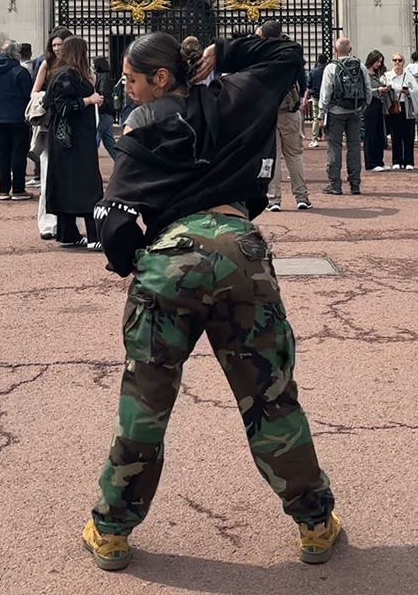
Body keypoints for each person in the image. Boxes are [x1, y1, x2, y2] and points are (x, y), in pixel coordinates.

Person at [83, 31, 338, 573]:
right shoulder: (236, 95)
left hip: (170, 256)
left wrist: (137, 262)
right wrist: (223, 51)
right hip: (239, 247)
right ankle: (314, 524)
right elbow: (287, 55)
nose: (125, 90)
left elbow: (114, 223)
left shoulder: (142, 128)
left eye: (131, 79)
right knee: (270, 397)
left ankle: (111, 531)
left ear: (161, 77)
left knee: (146, 402)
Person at [43, 36, 103, 247]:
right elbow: (64, 107)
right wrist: (89, 100)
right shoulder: (66, 75)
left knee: (69, 183)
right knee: (87, 183)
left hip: (72, 138)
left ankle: (68, 233)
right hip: (74, 139)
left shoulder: (68, 74)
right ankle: (94, 235)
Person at [259, 21, 311, 212]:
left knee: (273, 157)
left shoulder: (261, 54)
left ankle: (274, 200)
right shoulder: (292, 54)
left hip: (268, 112)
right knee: (294, 156)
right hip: (290, 111)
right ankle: (302, 197)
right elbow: (302, 83)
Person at [31, 27, 72, 236]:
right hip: (50, 126)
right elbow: (34, 93)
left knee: (70, 178)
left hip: (71, 126)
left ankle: (67, 223)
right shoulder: (47, 65)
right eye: (54, 45)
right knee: (48, 177)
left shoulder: (76, 65)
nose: (57, 48)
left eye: (60, 45)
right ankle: (47, 224)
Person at [319, 37, 371, 194]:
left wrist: (322, 113)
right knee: (354, 147)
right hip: (354, 111)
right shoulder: (360, 66)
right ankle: (355, 184)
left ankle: (335, 184)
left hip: (336, 111)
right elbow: (367, 90)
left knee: (334, 147)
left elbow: (325, 92)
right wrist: (363, 107)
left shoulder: (331, 68)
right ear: (350, 50)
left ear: (335, 50)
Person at [0, 40, 33, 201]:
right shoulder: (20, 71)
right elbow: (28, 96)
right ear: (15, 54)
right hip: (18, 117)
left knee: (3, 153)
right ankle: (18, 189)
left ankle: (3, 189)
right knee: (18, 153)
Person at [384, 54, 418, 170]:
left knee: (408, 134)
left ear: (403, 62)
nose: (397, 62)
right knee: (395, 135)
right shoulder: (387, 76)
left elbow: (416, 90)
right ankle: (396, 160)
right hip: (394, 106)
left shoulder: (409, 76)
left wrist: (408, 92)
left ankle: (409, 161)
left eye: (399, 60)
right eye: (394, 60)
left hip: (407, 106)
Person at [362, 50, 389, 171]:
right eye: (377, 61)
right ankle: (371, 162)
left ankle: (379, 161)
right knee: (371, 133)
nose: (379, 64)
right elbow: (364, 91)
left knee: (379, 133)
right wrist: (378, 90)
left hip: (379, 104)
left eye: (380, 62)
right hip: (370, 104)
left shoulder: (378, 74)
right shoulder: (365, 74)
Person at [93, 55, 118, 161]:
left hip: (103, 113)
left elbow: (103, 95)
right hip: (107, 114)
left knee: (95, 141)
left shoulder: (103, 78)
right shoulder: (105, 77)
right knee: (109, 143)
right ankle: (122, 164)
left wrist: (99, 106)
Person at [306, 54, 328, 148]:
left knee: (316, 118)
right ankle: (329, 136)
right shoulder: (328, 70)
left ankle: (314, 139)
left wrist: (306, 97)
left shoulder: (313, 71)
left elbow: (309, 86)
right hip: (327, 97)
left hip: (315, 96)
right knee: (328, 117)